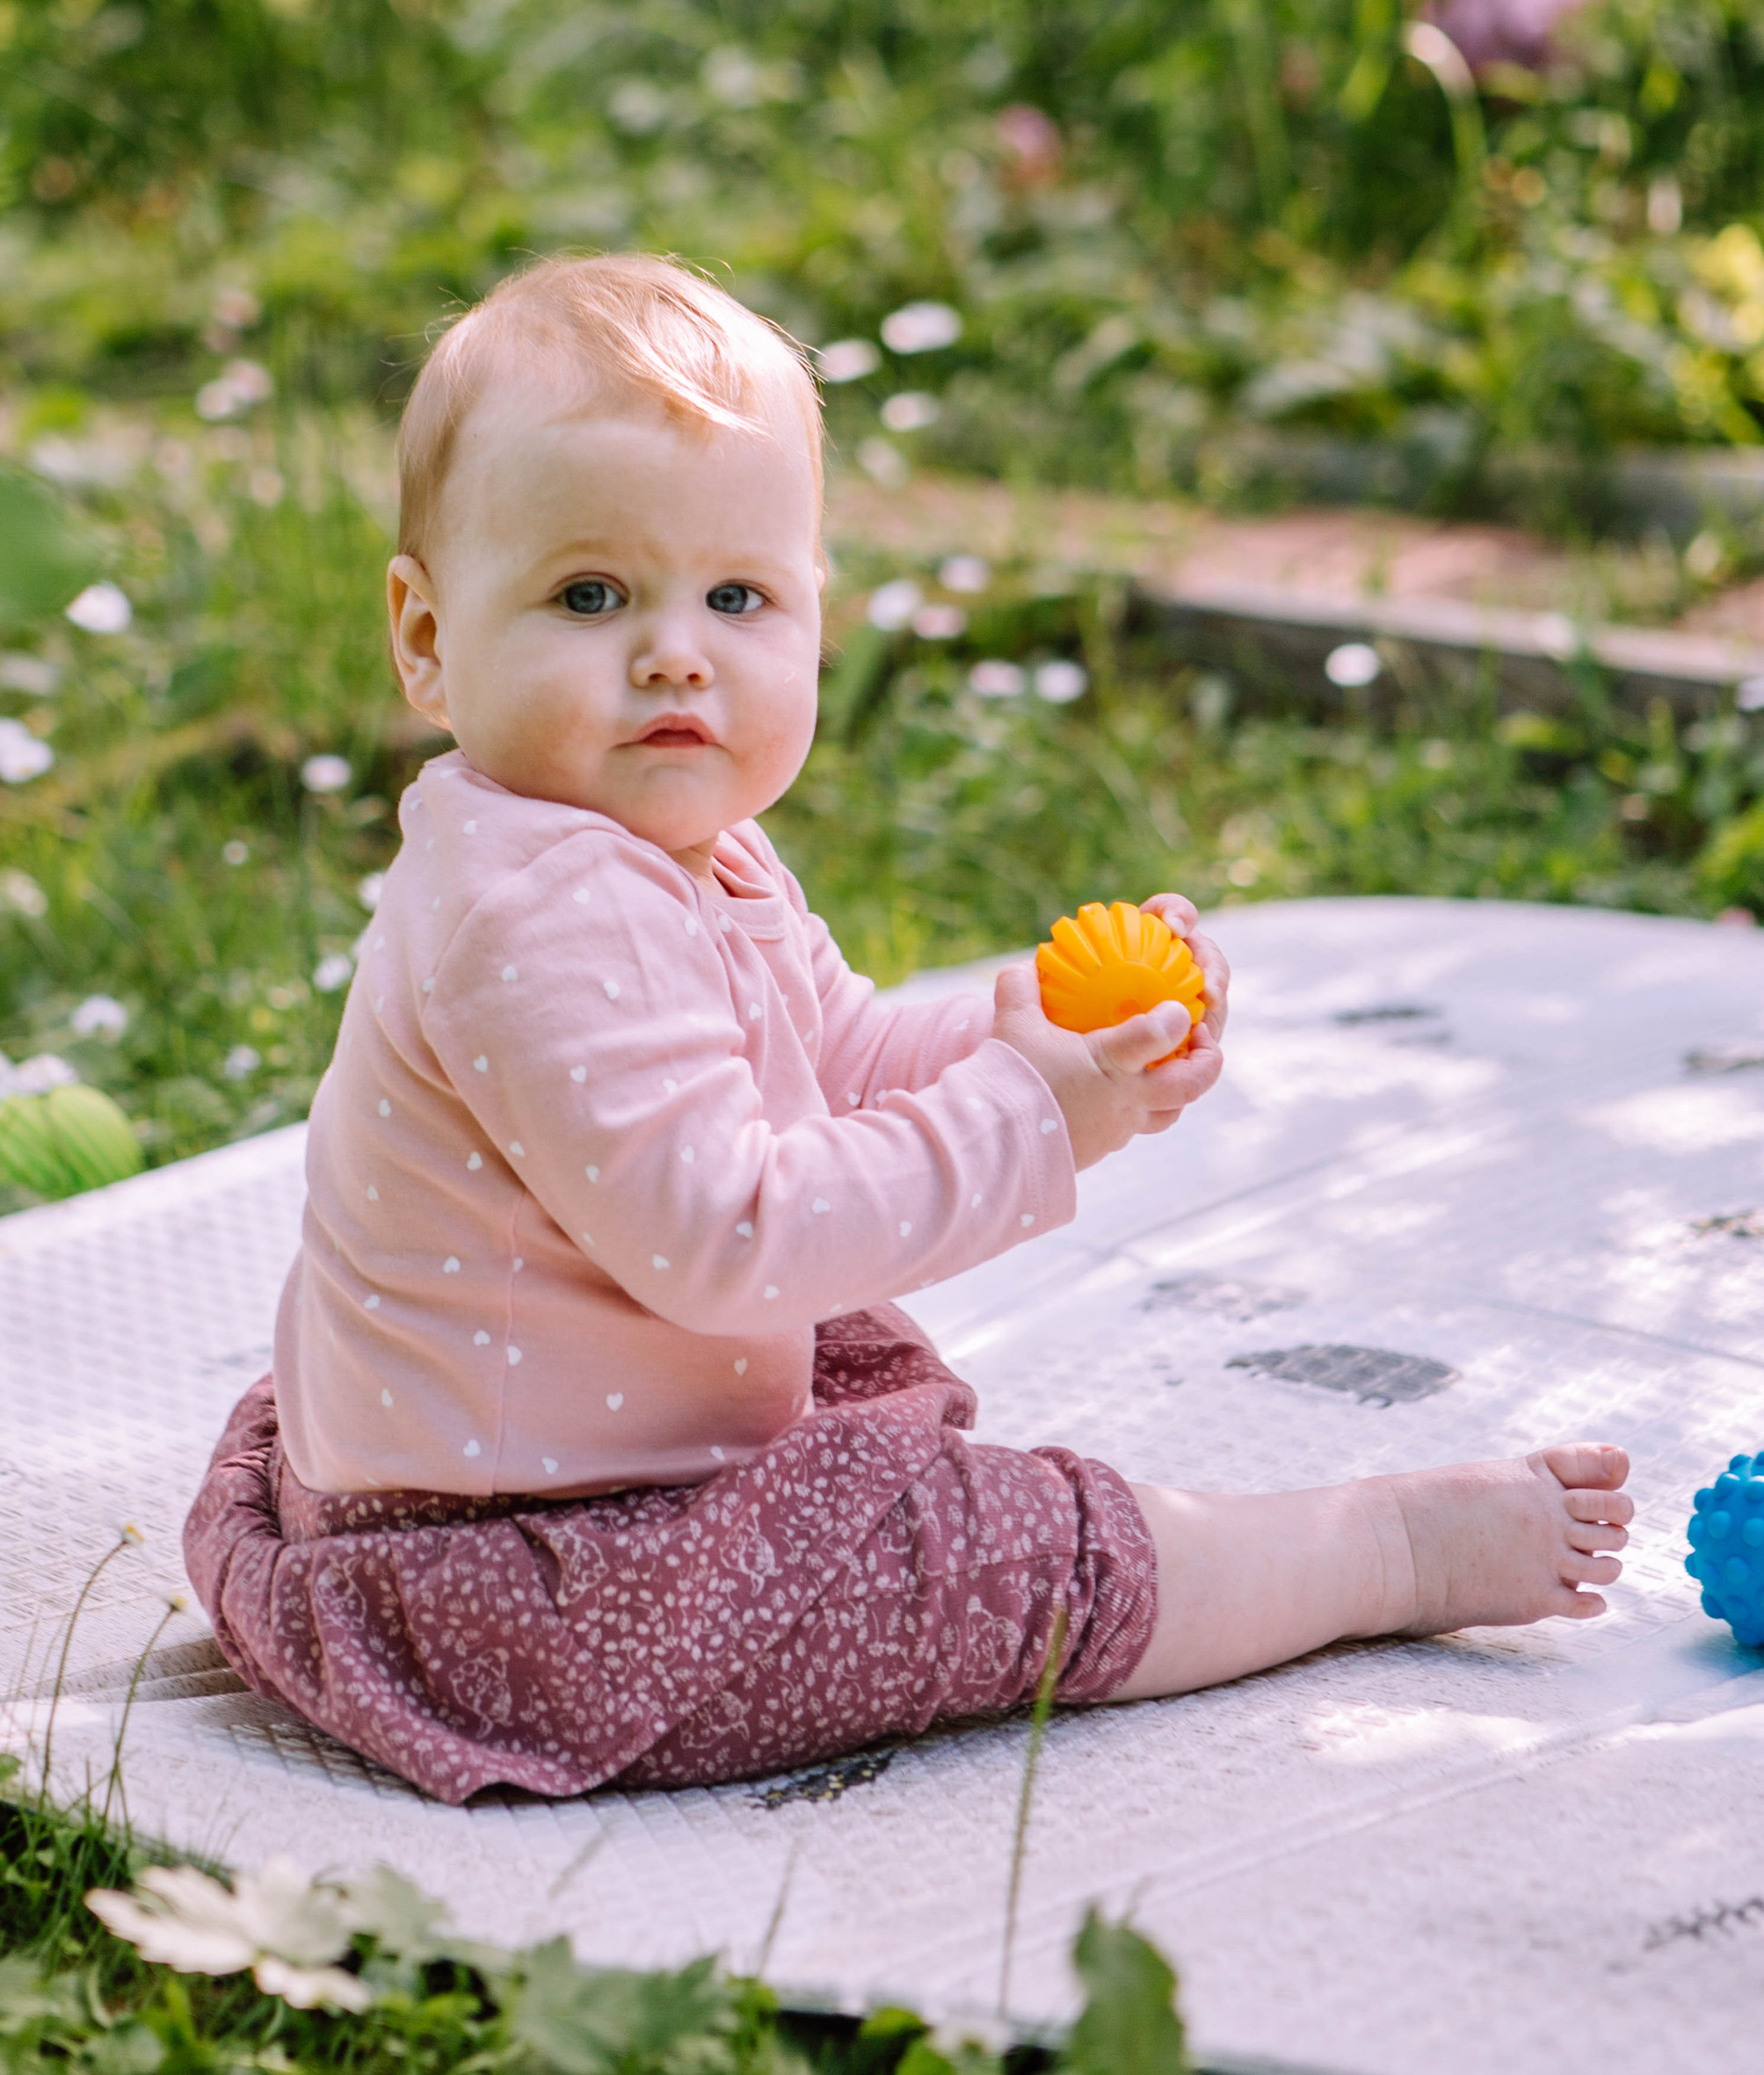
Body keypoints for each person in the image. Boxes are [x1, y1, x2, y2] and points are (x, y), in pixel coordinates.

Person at [185, 255, 1632, 1803]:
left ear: (815, 619)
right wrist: (1028, 1117)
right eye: (589, 595)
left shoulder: (673, 849)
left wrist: (1036, 1052)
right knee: (1002, 1562)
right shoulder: (539, 910)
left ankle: (900, 1509)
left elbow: (837, 1065)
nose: (678, 651)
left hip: (534, 1469)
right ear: (425, 639)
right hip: (529, 1582)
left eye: (737, 597)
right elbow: (729, 1235)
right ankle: (1373, 1553)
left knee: (856, 1324)